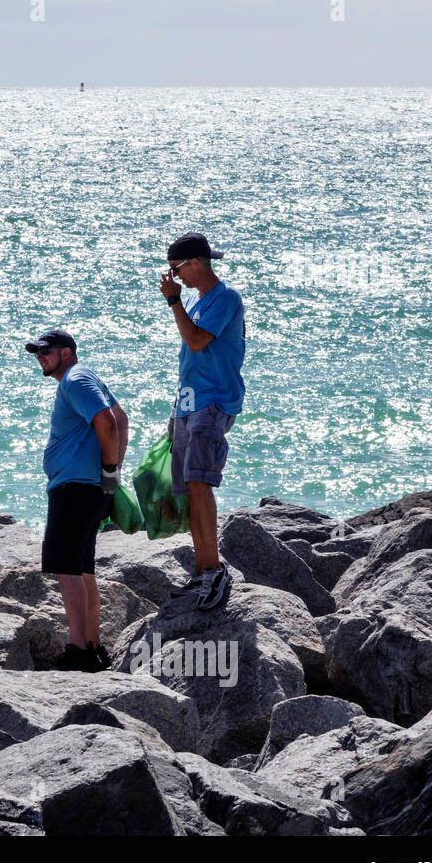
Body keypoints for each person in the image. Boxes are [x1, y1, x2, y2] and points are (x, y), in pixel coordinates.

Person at [27, 330, 129, 672]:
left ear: (68, 352)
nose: (41, 357)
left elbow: (108, 423)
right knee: (83, 569)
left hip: (74, 488)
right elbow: (121, 419)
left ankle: (78, 650)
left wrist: (111, 471)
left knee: (68, 570)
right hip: (89, 488)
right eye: (37, 353)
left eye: (47, 351)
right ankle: (94, 646)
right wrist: (110, 478)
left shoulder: (75, 379)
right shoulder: (84, 378)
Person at [158, 232, 246, 612]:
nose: (175, 277)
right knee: (189, 487)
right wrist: (177, 407)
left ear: (196, 263)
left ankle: (214, 570)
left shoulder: (225, 298)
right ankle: (202, 568)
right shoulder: (196, 300)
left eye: (177, 269)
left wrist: (173, 300)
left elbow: (196, 342)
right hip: (190, 402)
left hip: (213, 401)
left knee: (199, 481)